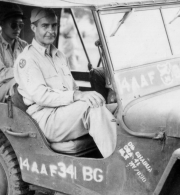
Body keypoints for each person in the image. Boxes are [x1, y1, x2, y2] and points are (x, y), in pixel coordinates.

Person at [14, 8, 117, 158]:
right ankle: (117, 164)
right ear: (33, 28)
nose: (51, 30)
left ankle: (131, 158)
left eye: (54, 26)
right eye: (45, 26)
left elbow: (72, 87)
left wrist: (80, 95)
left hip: (65, 112)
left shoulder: (59, 55)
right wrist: (78, 95)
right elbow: (41, 96)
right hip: (45, 118)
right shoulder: (27, 59)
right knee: (91, 107)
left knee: (119, 109)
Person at [0, 5, 28, 102]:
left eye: (21, 25)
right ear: (2, 23)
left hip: (15, 87)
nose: (18, 29)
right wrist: (25, 71)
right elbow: (1, 75)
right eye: (14, 25)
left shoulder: (24, 45)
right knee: (21, 82)